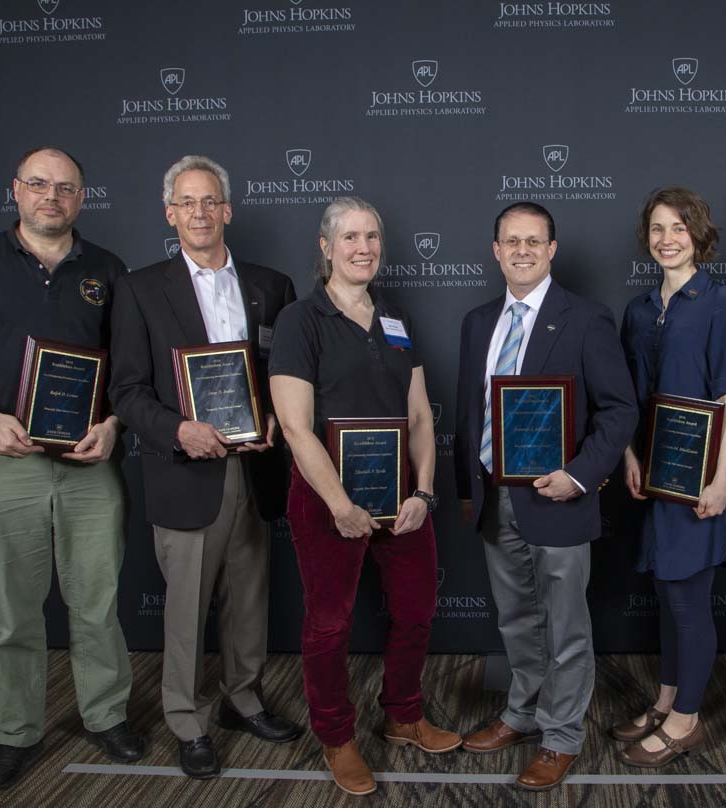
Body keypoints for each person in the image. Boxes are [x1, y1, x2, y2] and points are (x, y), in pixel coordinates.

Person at [0, 146, 144, 791]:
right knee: (14, 612)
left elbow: (131, 372)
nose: (52, 197)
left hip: (87, 463)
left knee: (97, 603)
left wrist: (114, 425)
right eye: (39, 185)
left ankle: (105, 717)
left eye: (65, 188)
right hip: (3, 456)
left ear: (81, 197)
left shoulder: (108, 269)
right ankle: (17, 733)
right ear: (16, 190)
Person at [108, 155, 299, 780]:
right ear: (170, 214)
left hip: (255, 467)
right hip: (186, 471)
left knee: (249, 598)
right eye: (186, 202)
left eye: (209, 201)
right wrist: (179, 431)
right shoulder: (139, 289)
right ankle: (186, 718)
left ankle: (242, 699)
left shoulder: (273, 285)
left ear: (227, 210)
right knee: (185, 607)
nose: (199, 212)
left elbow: (283, 375)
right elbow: (128, 390)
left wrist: (275, 413)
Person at [269, 197, 461, 797]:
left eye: (372, 237)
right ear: (325, 247)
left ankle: (403, 715)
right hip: (329, 497)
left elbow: (422, 415)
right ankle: (336, 736)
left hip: (401, 494)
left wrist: (425, 492)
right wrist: (339, 505)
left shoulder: (396, 318)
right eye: (349, 237)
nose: (363, 248)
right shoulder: (301, 319)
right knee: (330, 624)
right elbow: (296, 426)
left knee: (415, 612)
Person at [455, 202, 638, 790]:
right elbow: (469, 411)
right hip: (494, 495)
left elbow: (619, 410)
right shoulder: (478, 321)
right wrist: (469, 487)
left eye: (534, 241)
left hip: (557, 495)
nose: (523, 250)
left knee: (565, 625)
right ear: (496, 250)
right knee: (516, 620)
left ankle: (561, 736)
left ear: (553, 249)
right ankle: (522, 713)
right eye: (512, 241)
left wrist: (579, 476)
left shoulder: (586, 319)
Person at [610, 188, 726, 767]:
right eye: (658, 228)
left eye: (679, 228)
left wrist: (720, 482)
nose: (667, 239)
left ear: (699, 235)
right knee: (667, 596)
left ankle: (687, 719)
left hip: (700, 477)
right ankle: (667, 699)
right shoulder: (639, 310)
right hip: (653, 472)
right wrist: (629, 456)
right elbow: (625, 400)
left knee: (689, 600)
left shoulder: (721, 303)